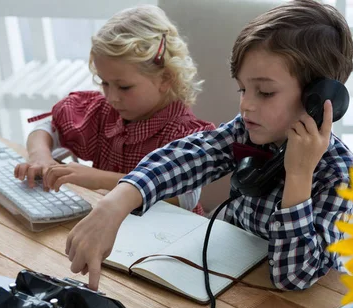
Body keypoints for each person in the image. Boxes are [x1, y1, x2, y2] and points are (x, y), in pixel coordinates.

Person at [65, 0, 353, 291]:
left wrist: (298, 176)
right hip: (234, 278)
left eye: (265, 92)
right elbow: (189, 157)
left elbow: (293, 276)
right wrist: (114, 205)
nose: (246, 105)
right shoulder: (245, 131)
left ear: (319, 98)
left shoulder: (339, 173)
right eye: (243, 89)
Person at [14, 5, 214, 215]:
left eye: (124, 87)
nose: (111, 97)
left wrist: (96, 178)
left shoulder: (182, 134)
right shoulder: (104, 112)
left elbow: (184, 197)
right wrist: (40, 156)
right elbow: (49, 126)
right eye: (104, 83)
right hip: (109, 227)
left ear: (165, 78)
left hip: (167, 238)